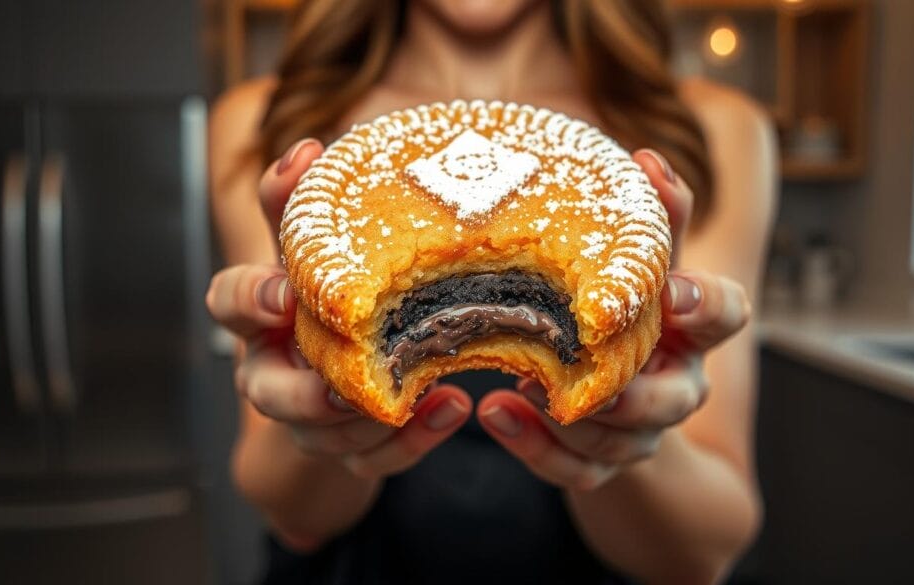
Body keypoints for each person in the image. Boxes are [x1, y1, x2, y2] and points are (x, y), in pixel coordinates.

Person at [206, 0, 776, 583]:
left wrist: (630, 429)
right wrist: (316, 406)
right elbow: (295, 516)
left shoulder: (706, 130)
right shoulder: (273, 126)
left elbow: (702, 554)